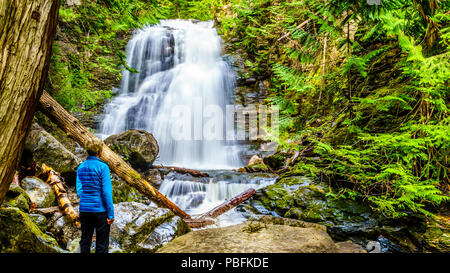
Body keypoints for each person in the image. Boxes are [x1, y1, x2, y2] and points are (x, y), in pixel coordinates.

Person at [76, 138, 114, 253]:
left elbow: (79, 190)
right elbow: (106, 192)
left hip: (84, 210)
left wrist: (88, 198)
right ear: (100, 151)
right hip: (100, 211)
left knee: (85, 241)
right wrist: (110, 214)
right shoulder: (103, 167)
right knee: (102, 244)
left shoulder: (81, 167)